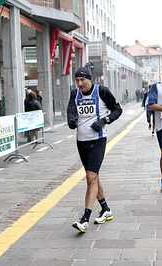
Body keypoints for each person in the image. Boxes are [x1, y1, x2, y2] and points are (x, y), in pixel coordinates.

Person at [67, 67, 122, 233]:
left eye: (82, 80)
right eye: (77, 80)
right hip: (81, 141)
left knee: (90, 177)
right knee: (94, 177)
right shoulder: (74, 94)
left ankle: (85, 219)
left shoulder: (101, 91)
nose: (80, 83)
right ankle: (106, 209)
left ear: (89, 79)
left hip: (98, 140)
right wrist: (71, 120)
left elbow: (117, 110)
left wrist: (104, 121)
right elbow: (70, 111)